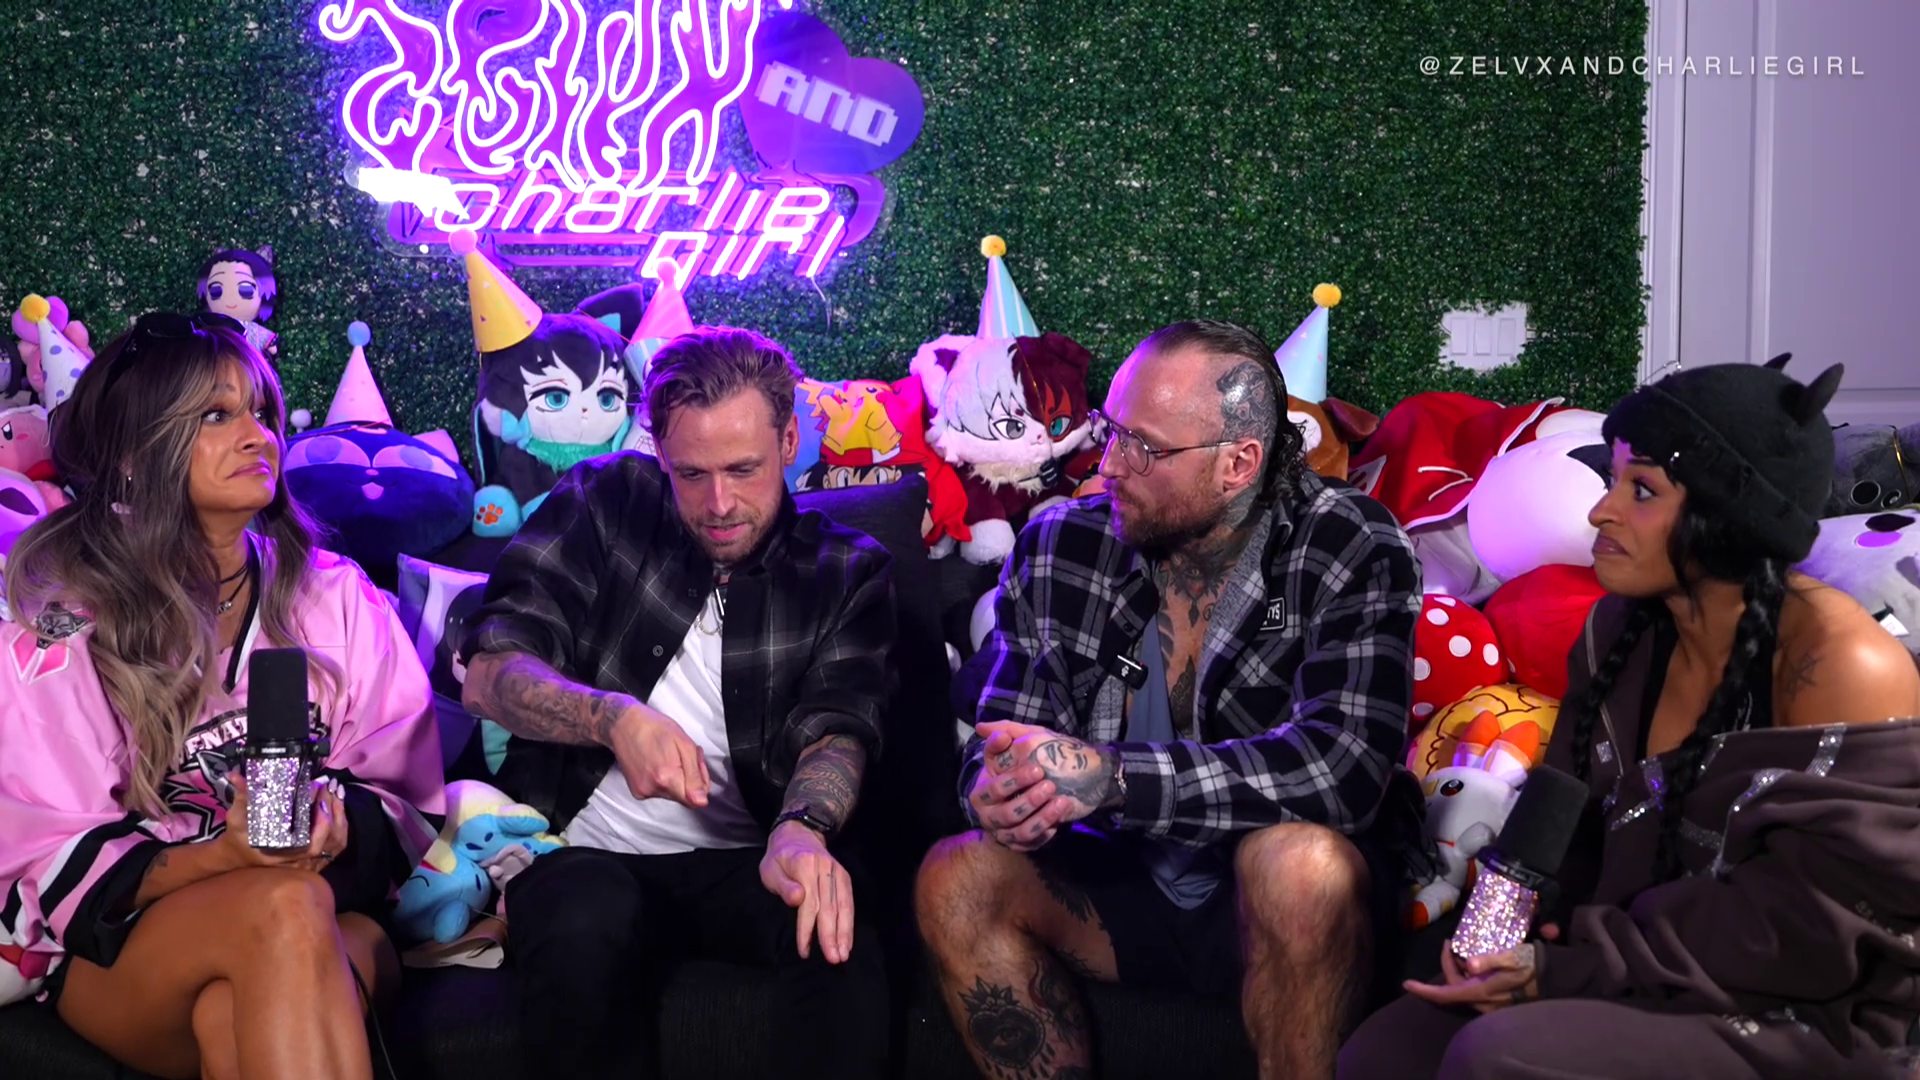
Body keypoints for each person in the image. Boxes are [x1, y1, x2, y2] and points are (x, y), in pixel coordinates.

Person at [1338, 357, 1920, 1080]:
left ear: (1731, 517)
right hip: (1628, 961)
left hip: (1801, 1005)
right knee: (1384, 1051)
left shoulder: (1843, 665)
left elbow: (1810, 929)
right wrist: (1492, 933)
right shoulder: (1620, 628)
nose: (1600, 511)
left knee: (1496, 1056)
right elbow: (1564, 812)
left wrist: (1561, 970)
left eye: (1640, 490)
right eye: (1611, 480)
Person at [915, 319, 1437, 1080]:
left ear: (1239, 463)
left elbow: (1342, 771)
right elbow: (1006, 729)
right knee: (956, 875)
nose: (1108, 464)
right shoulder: (1061, 542)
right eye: (1111, 431)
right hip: (1123, 880)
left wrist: (1114, 778)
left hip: (1269, 895)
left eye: (1144, 448)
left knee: (1299, 864)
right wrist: (998, 791)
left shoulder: (1347, 543)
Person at [0, 312, 445, 1080]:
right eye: (215, 415)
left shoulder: (336, 596)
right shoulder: (62, 620)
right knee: (284, 911)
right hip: (129, 948)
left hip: (318, 905)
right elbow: (49, 849)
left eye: (262, 411)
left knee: (248, 988)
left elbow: (403, 790)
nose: (257, 436)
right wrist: (224, 857)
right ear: (134, 454)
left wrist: (326, 829)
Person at [460, 326, 894, 1079]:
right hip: (585, 851)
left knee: (833, 926)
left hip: (751, 858)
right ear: (659, 452)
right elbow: (490, 672)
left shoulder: (847, 571)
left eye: (743, 469)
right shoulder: (604, 502)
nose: (719, 503)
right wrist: (610, 718)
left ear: (790, 441)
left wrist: (803, 829)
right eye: (692, 473)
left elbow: (840, 729)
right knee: (579, 922)